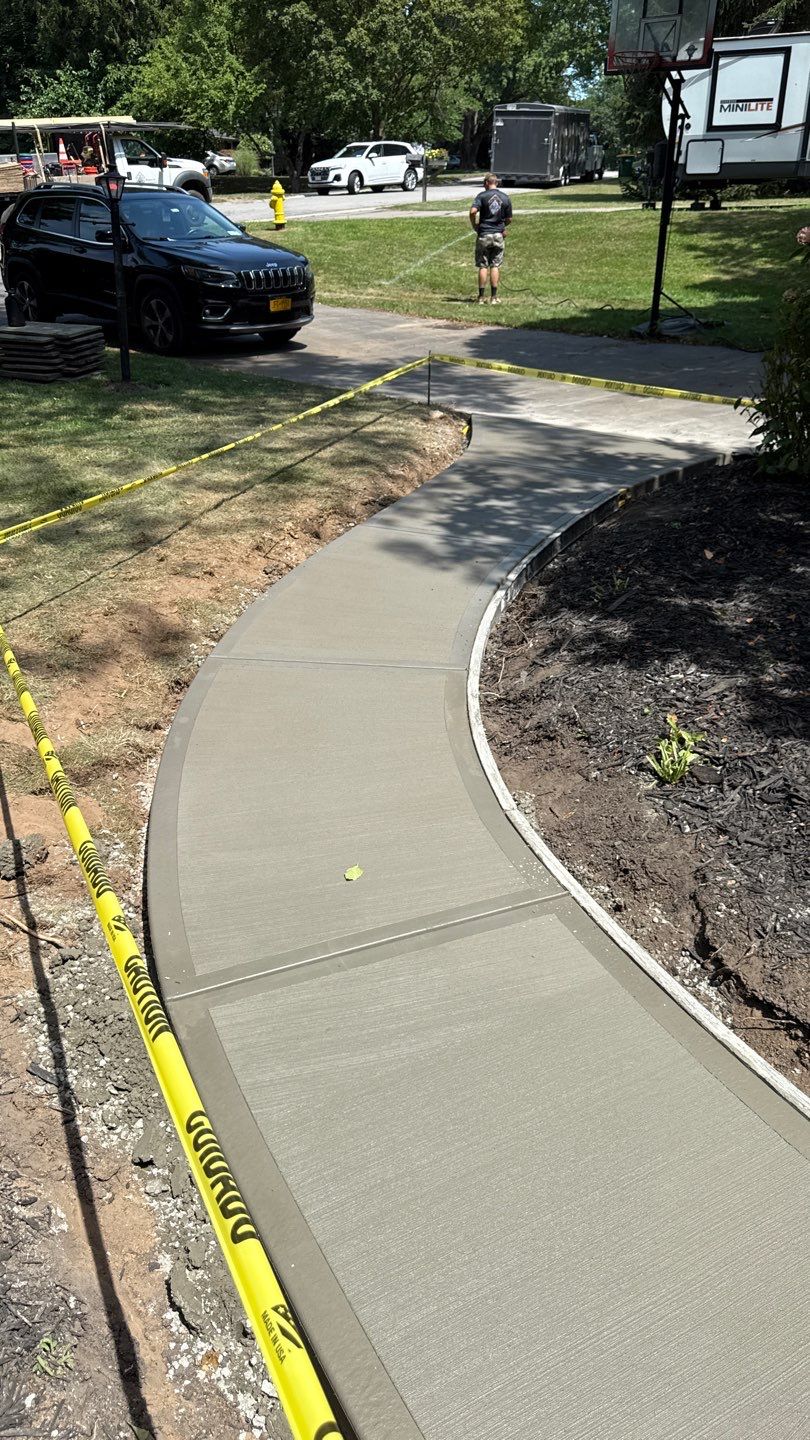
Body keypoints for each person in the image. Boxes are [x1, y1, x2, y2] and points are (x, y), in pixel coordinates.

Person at [469, 173, 512, 305]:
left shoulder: (482, 196)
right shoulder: (505, 198)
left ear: (487, 183)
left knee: (483, 265)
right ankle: (494, 297)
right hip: (498, 236)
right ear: (496, 183)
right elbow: (509, 218)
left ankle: (481, 297)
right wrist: (502, 227)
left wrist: (474, 225)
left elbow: (472, 211)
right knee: (495, 265)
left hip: (484, 234)